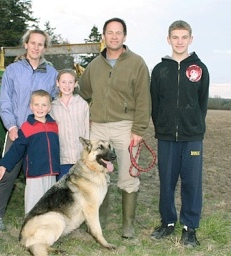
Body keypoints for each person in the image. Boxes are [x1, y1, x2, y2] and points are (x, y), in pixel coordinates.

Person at [79, 17, 151, 239]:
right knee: (94, 176)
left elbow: (143, 99)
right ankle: (96, 221)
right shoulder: (94, 65)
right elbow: (83, 94)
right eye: (109, 32)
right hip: (98, 127)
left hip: (125, 126)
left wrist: (138, 129)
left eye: (118, 32)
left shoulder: (137, 63)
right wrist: (86, 118)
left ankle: (127, 225)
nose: (114, 36)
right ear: (103, 36)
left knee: (129, 174)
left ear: (125, 36)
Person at [0, 29, 58, 235]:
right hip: (18, 132)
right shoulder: (13, 70)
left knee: (39, 177)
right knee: (7, 173)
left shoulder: (51, 73)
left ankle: (43, 217)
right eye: (33, 43)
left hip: (39, 134)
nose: (36, 47)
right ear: (26, 44)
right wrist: (10, 125)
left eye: (40, 44)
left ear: (44, 48)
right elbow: (4, 100)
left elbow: (55, 100)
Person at [150, 20, 209, 248]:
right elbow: (155, 104)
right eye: (175, 37)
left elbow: (202, 103)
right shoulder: (159, 69)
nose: (180, 41)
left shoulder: (200, 68)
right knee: (166, 181)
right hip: (166, 137)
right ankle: (167, 222)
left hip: (192, 136)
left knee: (192, 183)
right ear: (168, 40)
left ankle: (190, 227)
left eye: (184, 37)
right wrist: (163, 126)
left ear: (191, 39)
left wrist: (192, 124)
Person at [0, 90, 60, 215]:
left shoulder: (54, 126)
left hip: (51, 173)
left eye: (44, 105)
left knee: (50, 203)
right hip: (35, 173)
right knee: (34, 205)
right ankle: (31, 228)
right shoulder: (27, 127)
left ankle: (47, 229)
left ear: (49, 107)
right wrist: (4, 165)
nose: (40, 108)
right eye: (36, 105)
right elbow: (17, 149)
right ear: (31, 106)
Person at [49, 69, 90, 181]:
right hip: (62, 159)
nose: (67, 86)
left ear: (76, 83)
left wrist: (87, 154)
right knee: (63, 193)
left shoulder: (82, 105)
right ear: (57, 83)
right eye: (63, 82)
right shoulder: (52, 107)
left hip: (80, 159)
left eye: (70, 82)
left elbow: (87, 131)